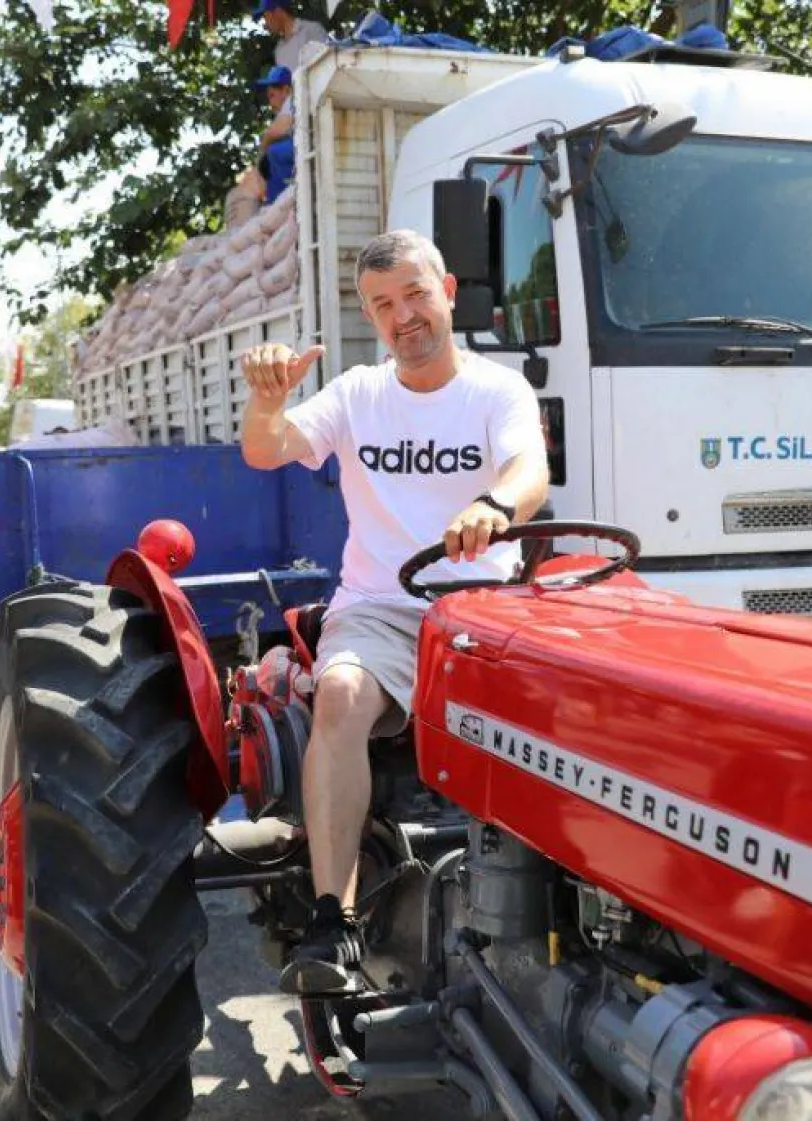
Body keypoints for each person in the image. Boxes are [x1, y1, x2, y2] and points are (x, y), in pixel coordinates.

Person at [239, 229, 550, 993]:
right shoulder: (358, 394)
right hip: (379, 607)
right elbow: (266, 449)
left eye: (414, 294)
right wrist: (268, 399)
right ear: (370, 316)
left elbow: (529, 468)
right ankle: (332, 919)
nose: (403, 315)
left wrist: (495, 505)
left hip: (480, 610)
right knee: (340, 693)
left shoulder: (497, 391)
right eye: (383, 304)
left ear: (448, 292)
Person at [254, 66, 297, 205]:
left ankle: (277, 202)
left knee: (274, 152)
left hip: (306, 147)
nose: (269, 99)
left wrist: (260, 157)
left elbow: (275, 131)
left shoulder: (292, 100)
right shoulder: (287, 105)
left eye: (272, 94)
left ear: (286, 90)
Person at [255, 0, 327, 74]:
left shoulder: (311, 29)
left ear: (278, 12)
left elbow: (327, 65)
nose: (266, 24)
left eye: (266, 17)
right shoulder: (279, 51)